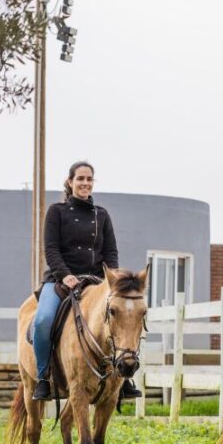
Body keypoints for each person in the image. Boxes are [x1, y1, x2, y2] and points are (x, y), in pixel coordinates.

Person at [31, 161, 142, 401]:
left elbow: (111, 252)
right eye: (80, 178)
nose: (85, 183)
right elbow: (51, 249)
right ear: (70, 182)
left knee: (121, 317)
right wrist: (64, 274)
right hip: (61, 280)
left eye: (89, 179)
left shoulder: (102, 215)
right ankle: (43, 377)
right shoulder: (56, 212)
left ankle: (123, 378)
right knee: (42, 321)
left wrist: (112, 279)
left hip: (96, 281)